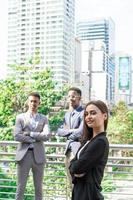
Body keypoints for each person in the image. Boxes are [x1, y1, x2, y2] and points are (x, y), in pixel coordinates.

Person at [14, 92, 51, 200]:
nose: (33, 103)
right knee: (20, 187)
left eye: (35, 101)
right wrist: (35, 139)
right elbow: (17, 136)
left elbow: (47, 135)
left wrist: (30, 134)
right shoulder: (20, 117)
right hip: (24, 156)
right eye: (31, 101)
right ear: (28, 102)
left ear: (39, 103)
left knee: (38, 188)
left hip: (39, 156)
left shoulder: (44, 118)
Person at [69, 100, 109, 200]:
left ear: (104, 116)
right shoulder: (88, 140)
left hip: (89, 194)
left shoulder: (100, 142)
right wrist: (75, 168)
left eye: (93, 113)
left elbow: (76, 168)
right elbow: (73, 166)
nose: (88, 117)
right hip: (81, 191)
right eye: (86, 114)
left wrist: (75, 168)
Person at [57, 87, 84, 188]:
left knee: (78, 181)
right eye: (69, 96)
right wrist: (72, 131)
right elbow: (59, 131)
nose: (71, 98)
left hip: (77, 151)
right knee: (70, 183)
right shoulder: (67, 114)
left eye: (73, 96)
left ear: (79, 97)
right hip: (67, 151)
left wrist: (68, 133)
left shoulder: (83, 113)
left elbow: (80, 132)